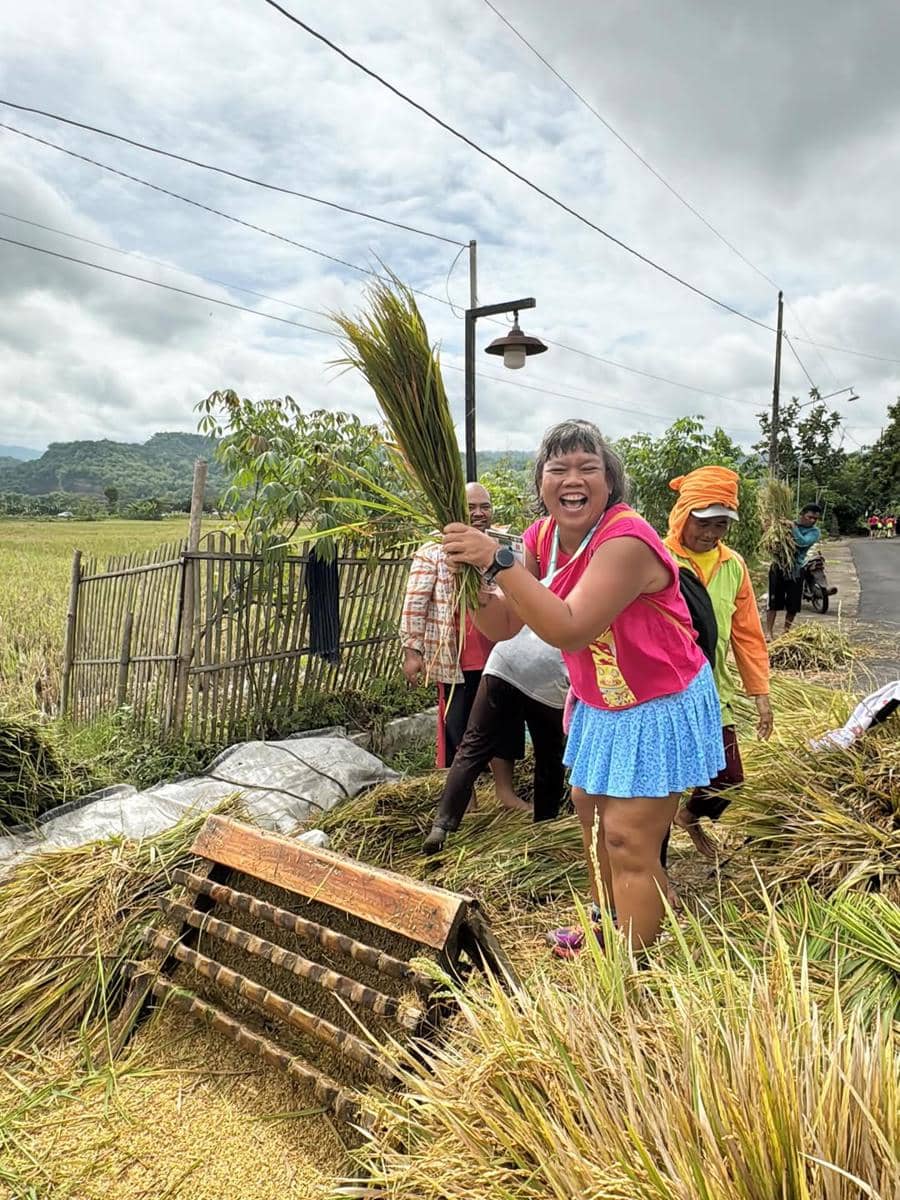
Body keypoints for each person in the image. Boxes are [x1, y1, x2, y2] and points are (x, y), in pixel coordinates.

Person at [442, 419, 724, 954]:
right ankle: (603, 926)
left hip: (656, 703)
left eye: (587, 467)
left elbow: (569, 625)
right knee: (592, 818)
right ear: (542, 483)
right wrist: (470, 576)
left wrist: (494, 560)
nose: (573, 478)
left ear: (609, 483)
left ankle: (631, 968)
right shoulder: (542, 538)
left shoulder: (627, 540)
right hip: (602, 702)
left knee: (629, 839)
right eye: (558, 468)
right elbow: (504, 626)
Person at [663, 467, 773, 859]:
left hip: (715, 691)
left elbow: (747, 635)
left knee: (728, 777)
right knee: (664, 781)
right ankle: (653, 868)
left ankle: (689, 817)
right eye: (703, 521)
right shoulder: (658, 560)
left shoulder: (734, 566)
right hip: (666, 695)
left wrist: (760, 693)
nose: (710, 532)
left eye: (721, 524)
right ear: (682, 514)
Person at [400, 482, 520, 804]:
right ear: (456, 509)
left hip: (501, 656)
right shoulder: (433, 552)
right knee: (459, 729)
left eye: (486, 506)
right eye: (472, 507)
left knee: (503, 724)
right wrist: (413, 651)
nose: (480, 513)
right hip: (455, 661)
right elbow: (415, 604)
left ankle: (504, 793)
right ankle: (464, 801)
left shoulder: (502, 550)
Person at [421, 621, 569, 855]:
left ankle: (441, 825)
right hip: (549, 671)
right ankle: (545, 823)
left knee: (472, 746)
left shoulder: (552, 584)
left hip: (503, 660)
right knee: (549, 754)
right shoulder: (597, 599)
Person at [765, 503, 823, 639]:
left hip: (796, 569)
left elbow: (802, 542)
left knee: (793, 603)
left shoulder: (814, 532)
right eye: (810, 517)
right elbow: (771, 539)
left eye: (815, 519)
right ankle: (768, 632)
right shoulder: (785, 524)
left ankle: (786, 631)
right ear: (801, 514)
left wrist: (793, 528)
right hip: (778, 566)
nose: (813, 521)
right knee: (773, 601)